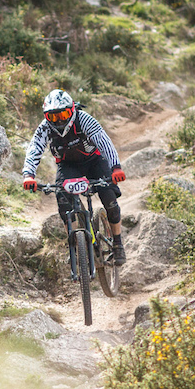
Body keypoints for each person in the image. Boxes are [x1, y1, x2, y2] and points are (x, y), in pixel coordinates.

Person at [23, 89, 127, 265]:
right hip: (68, 166)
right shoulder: (45, 127)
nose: (60, 120)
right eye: (53, 117)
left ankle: (117, 243)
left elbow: (104, 141)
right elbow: (34, 148)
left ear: (72, 110)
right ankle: (74, 245)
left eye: (63, 114)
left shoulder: (84, 119)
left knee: (109, 199)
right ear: (47, 117)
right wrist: (28, 175)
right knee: (64, 203)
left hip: (95, 161)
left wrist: (116, 167)